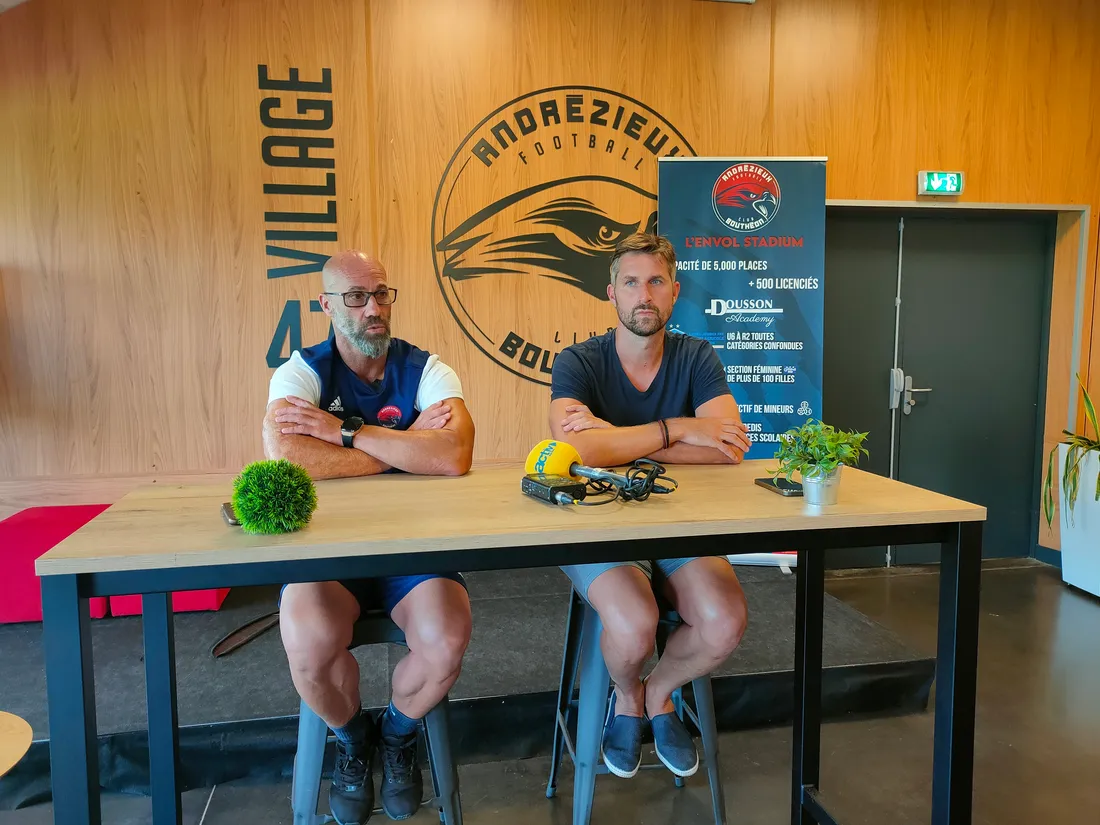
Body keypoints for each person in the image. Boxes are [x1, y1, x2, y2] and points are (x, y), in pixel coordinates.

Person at [264, 250, 475, 825]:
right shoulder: (300, 372)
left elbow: (454, 454)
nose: (373, 308)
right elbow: (287, 455)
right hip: (330, 555)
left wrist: (345, 434)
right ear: (328, 305)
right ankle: (354, 739)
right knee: (308, 645)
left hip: (415, 553)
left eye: (382, 294)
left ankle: (398, 734)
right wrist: (401, 450)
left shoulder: (429, 369)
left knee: (446, 639)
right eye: (356, 297)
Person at [547, 232, 751, 780]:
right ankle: (623, 695)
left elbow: (728, 447)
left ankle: (656, 692)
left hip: (679, 528)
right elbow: (579, 451)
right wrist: (681, 429)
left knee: (724, 621)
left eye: (656, 282)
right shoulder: (578, 362)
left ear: (674, 292)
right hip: (598, 530)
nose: (644, 294)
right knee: (635, 624)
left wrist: (617, 440)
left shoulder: (696, 356)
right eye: (631, 282)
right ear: (610, 293)